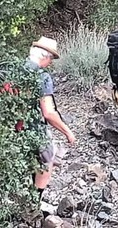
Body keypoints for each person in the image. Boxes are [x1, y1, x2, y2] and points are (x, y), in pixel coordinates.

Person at [25, 36, 75, 200]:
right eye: (51, 58)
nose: (51, 62)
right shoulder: (42, 76)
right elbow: (48, 113)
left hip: (8, 126)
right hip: (31, 127)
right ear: (44, 56)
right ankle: (34, 202)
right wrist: (67, 132)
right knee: (47, 158)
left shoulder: (13, 68)